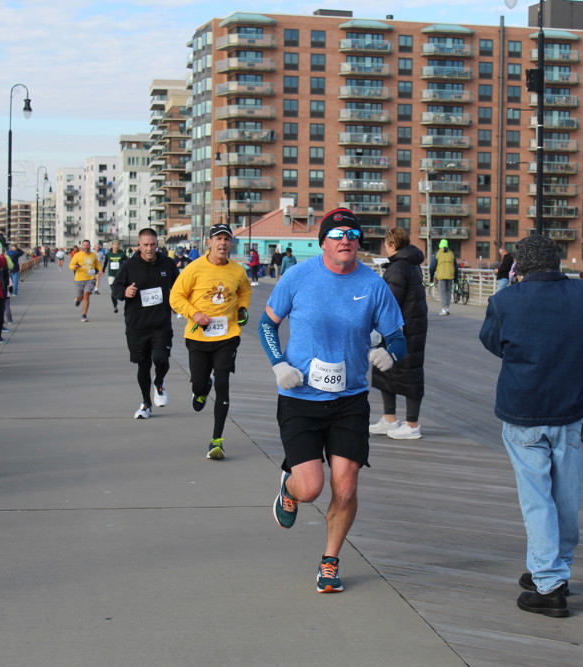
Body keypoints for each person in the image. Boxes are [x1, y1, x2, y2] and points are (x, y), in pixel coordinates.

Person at [261, 208, 405, 593]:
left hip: (350, 400)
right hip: (300, 397)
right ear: (323, 241)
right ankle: (290, 488)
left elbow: (397, 336)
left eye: (353, 235)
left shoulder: (372, 284)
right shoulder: (298, 276)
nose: (346, 240)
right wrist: (279, 364)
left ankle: (330, 560)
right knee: (311, 488)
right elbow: (267, 324)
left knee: (346, 487)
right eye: (338, 234)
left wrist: (391, 353)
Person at [479, 234, 583, 618]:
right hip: (571, 408)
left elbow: (493, 343)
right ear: (556, 262)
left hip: (523, 409)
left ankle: (550, 582)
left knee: (536, 497)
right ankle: (554, 567)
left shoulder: (505, 301)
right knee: (567, 495)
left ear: (520, 267)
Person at [169, 223, 252, 459]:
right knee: (199, 382)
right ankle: (201, 390)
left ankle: (217, 441)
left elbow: (244, 292)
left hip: (228, 335)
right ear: (209, 242)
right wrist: (194, 313)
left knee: (223, 384)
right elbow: (176, 297)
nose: (223, 243)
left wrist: (242, 308)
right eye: (218, 238)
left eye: (226, 239)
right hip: (198, 334)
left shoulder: (238, 271)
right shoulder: (194, 268)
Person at [368, 227, 428, 440]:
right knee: (386, 370)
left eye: (386, 244)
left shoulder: (397, 268)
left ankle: (412, 425)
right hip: (412, 324)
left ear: (392, 246)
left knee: (409, 373)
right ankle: (390, 419)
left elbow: (390, 301)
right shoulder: (410, 264)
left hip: (403, 328)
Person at [113, 228, 179, 420]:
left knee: (161, 358)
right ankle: (146, 403)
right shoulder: (129, 265)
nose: (149, 248)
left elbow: (179, 287)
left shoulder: (167, 263)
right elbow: (116, 287)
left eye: (153, 244)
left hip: (161, 324)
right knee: (143, 365)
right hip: (137, 325)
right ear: (139, 245)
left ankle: (159, 381)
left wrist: (179, 304)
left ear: (157, 244)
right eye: (146, 245)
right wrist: (125, 292)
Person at [69, 239, 102, 323]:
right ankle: (78, 300)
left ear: (90, 246)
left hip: (90, 279)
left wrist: (100, 270)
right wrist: (75, 267)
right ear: (82, 246)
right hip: (79, 279)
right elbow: (71, 265)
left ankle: (84, 315)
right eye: (84, 245)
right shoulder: (77, 255)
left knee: (86, 295)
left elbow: (97, 264)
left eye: (87, 245)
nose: (86, 247)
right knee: (80, 297)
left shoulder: (93, 255)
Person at [429, 238, 458, 316]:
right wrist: (456, 278)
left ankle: (444, 308)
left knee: (442, 292)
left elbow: (432, 267)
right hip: (450, 275)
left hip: (441, 276)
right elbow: (456, 267)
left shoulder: (437, 254)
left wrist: (431, 277)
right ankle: (447, 307)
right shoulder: (451, 254)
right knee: (448, 291)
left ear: (440, 245)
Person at [104, 240, 127, 314]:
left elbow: (127, 262)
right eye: (114, 244)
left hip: (120, 275)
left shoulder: (122, 254)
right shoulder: (108, 254)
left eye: (117, 245)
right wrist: (102, 270)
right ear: (112, 246)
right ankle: (115, 306)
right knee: (113, 291)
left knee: (121, 290)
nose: (116, 246)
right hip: (111, 275)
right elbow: (105, 263)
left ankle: (122, 299)